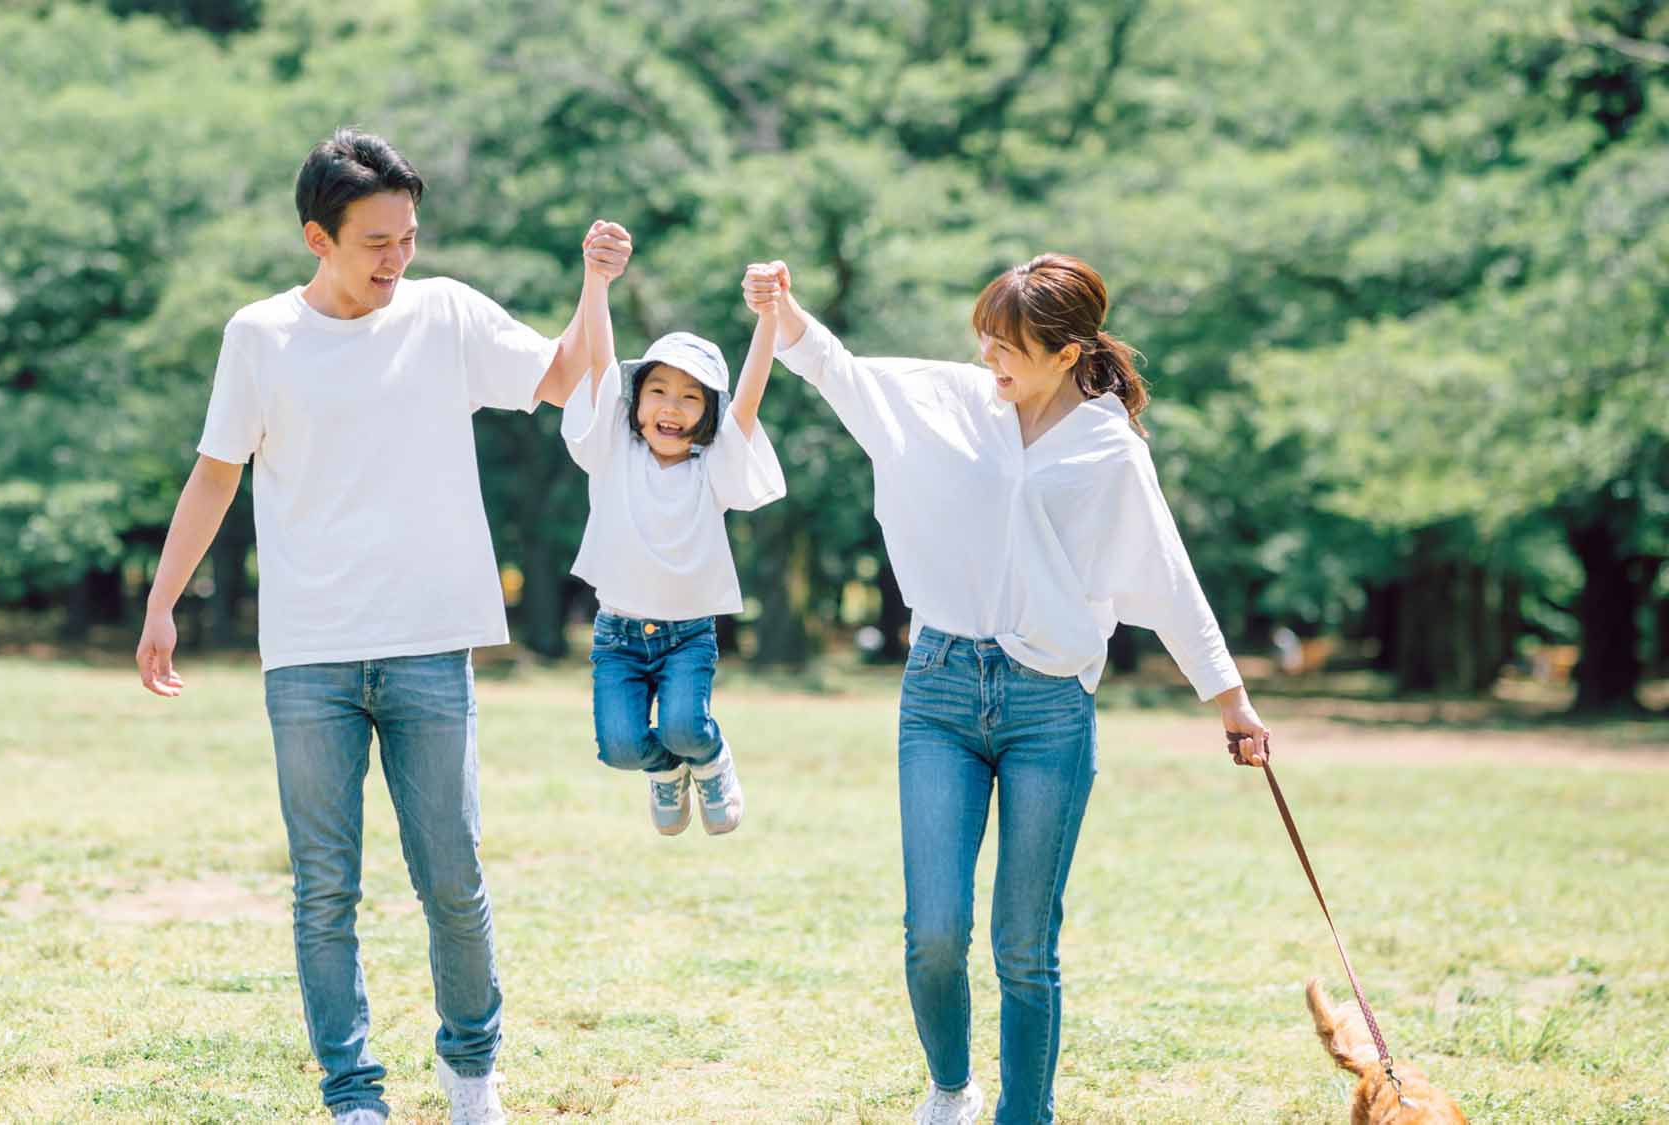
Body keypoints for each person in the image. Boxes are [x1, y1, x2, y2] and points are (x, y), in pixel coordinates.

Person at [135, 126, 632, 1125]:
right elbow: (215, 473)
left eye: (406, 235)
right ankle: (352, 1094)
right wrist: (160, 604)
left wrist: (594, 285)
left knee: (451, 876)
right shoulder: (259, 337)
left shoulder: (444, 313)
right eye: (374, 241)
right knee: (325, 892)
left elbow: (565, 376)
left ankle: (471, 1070)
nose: (395, 258)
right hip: (309, 657)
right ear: (316, 238)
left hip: (427, 645)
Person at [743, 254, 1273, 1125]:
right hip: (941, 691)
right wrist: (785, 308)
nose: (991, 360)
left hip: (1049, 706)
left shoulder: (1109, 447)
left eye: (1011, 348)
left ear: (1068, 355)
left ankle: (1026, 1115)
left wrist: (1230, 697)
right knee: (936, 930)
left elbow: (1168, 575)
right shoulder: (949, 399)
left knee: (1025, 945)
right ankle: (950, 1089)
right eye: (985, 340)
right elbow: (841, 372)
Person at [557, 262, 787, 835]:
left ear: (708, 414)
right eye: (657, 390)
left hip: (688, 635)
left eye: (690, 397)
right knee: (619, 747)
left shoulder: (713, 468)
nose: (671, 405)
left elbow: (752, 396)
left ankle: (709, 760)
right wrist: (596, 280)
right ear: (634, 401)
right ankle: (666, 774)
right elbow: (598, 361)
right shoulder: (614, 452)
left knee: (686, 726)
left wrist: (770, 316)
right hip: (618, 635)